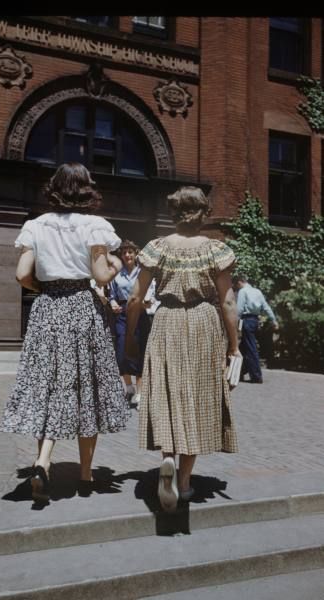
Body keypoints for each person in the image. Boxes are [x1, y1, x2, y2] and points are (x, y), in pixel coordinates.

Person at [0, 163, 130, 503]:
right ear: (87, 189)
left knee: (48, 384)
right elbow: (101, 276)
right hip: (81, 307)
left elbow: (21, 274)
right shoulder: (94, 226)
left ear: (54, 189)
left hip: (47, 307)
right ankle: (86, 474)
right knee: (88, 387)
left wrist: (42, 287)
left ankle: (43, 460)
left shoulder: (36, 225)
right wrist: (115, 265)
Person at [125, 186, 240, 512]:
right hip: (204, 322)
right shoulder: (216, 250)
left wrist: (131, 335)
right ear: (203, 214)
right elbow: (228, 301)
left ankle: (167, 464)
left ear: (174, 214)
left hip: (167, 322)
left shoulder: (157, 248)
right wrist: (234, 345)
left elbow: (135, 297)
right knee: (198, 400)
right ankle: (185, 482)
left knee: (167, 395)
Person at [109, 240, 151, 409]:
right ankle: (129, 388)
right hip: (122, 315)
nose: (127, 255)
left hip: (140, 313)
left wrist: (148, 301)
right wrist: (112, 303)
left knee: (140, 351)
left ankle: (140, 393)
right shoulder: (116, 273)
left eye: (130, 252)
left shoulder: (143, 273)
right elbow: (111, 294)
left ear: (136, 254)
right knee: (121, 350)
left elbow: (150, 293)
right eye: (124, 252)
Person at [233, 274, 279, 384]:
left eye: (235, 285)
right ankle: (239, 373)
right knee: (244, 347)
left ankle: (256, 376)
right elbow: (266, 307)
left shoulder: (243, 292)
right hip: (254, 320)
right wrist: (273, 320)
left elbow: (239, 309)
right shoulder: (257, 291)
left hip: (246, 320)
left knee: (251, 348)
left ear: (239, 282)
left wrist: (234, 323)